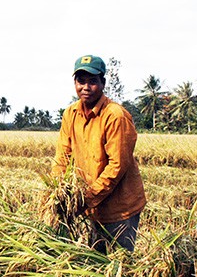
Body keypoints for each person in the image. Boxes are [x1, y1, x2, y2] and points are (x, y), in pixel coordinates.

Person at [51, 54, 146, 254]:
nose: (86, 87)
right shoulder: (71, 114)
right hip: (92, 207)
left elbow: (117, 166)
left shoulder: (115, 116)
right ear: (74, 83)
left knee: (118, 266)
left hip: (120, 209)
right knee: (95, 261)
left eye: (92, 81)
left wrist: (85, 199)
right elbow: (63, 157)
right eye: (81, 81)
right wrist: (59, 194)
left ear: (103, 83)